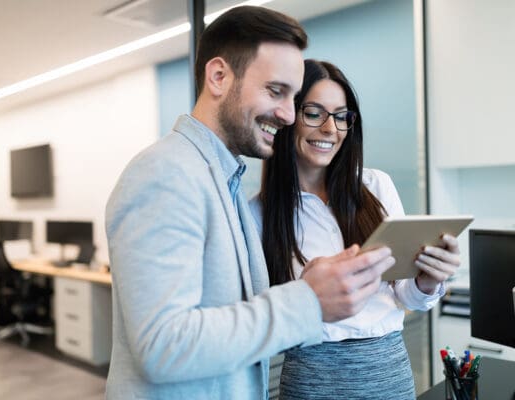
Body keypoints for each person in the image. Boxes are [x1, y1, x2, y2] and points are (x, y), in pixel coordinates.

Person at [104, 7, 395, 400]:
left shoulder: (224, 183)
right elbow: (162, 346)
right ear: (219, 77)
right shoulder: (165, 174)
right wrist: (308, 300)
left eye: (294, 98)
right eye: (276, 92)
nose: (288, 114)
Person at [249, 59, 461, 399]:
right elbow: (261, 321)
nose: (330, 129)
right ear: (289, 117)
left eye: (341, 116)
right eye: (314, 113)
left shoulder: (376, 186)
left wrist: (427, 280)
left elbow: (404, 296)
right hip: (312, 377)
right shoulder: (258, 214)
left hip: (388, 368)